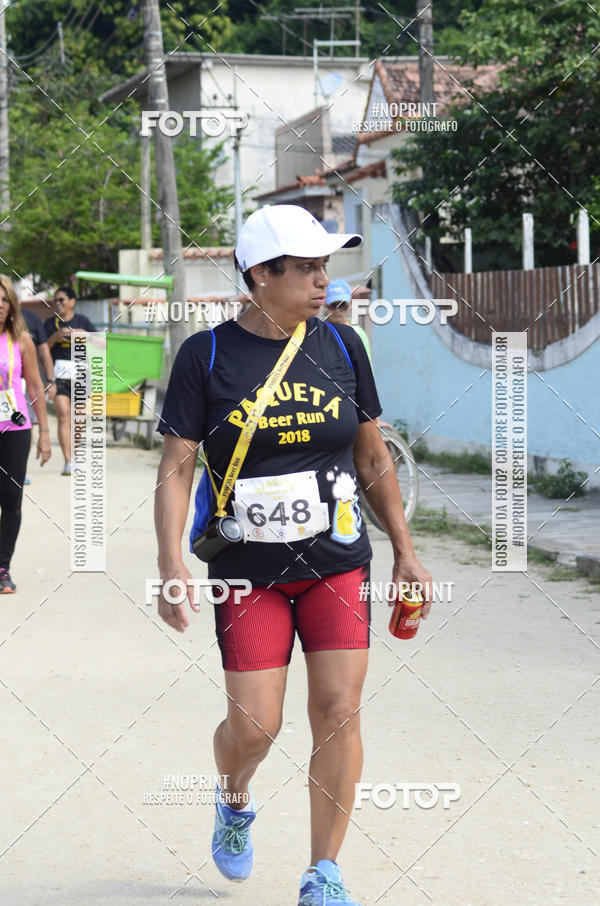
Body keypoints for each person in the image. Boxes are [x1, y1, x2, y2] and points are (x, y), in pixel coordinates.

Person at [154, 204, 432, 906]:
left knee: (338, 706)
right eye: (306, 267)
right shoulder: (207, 356)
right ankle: (235, 796)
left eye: (324, 266)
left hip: (337, 561)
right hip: (248, 573)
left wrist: (404, 549)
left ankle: (324, 873)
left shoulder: (343, 348)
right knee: (254, 725)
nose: (322, 280)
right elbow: (177, 468)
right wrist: (170, 566)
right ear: (259, 275)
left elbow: (372, 454)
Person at [0, 276, 52, 592]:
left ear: (11, 306)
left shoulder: (21, 340)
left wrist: (45, 432)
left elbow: (34, 386)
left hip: (15, 426)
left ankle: (2, 567)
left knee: (11, 497)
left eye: (4, 301)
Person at [43, 286, 95, 475]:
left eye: (62, 299)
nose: (58, 303)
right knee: (63, 415)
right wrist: (55, 337)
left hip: (81, 375)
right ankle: (68, 461)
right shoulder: (49, 324)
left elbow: (103, 343)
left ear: (72, 302)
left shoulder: (83, 321)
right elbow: (41, 350)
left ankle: (75, 454)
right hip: (59, 376)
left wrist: (85, 335)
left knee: (78, 419)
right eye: (55, 300)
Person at [22, 307, 56, 484]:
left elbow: (43, 351)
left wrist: (50, 379)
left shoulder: (32, 319)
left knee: (25, 427)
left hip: (26, 383)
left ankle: (20, 468)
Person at [323, 278, 372, 364]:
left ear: (350, 303)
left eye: (342, 305)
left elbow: (366, 368)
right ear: (325, 305)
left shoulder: (358, 333)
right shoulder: (318, 332)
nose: (337, 310)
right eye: (333, 305)